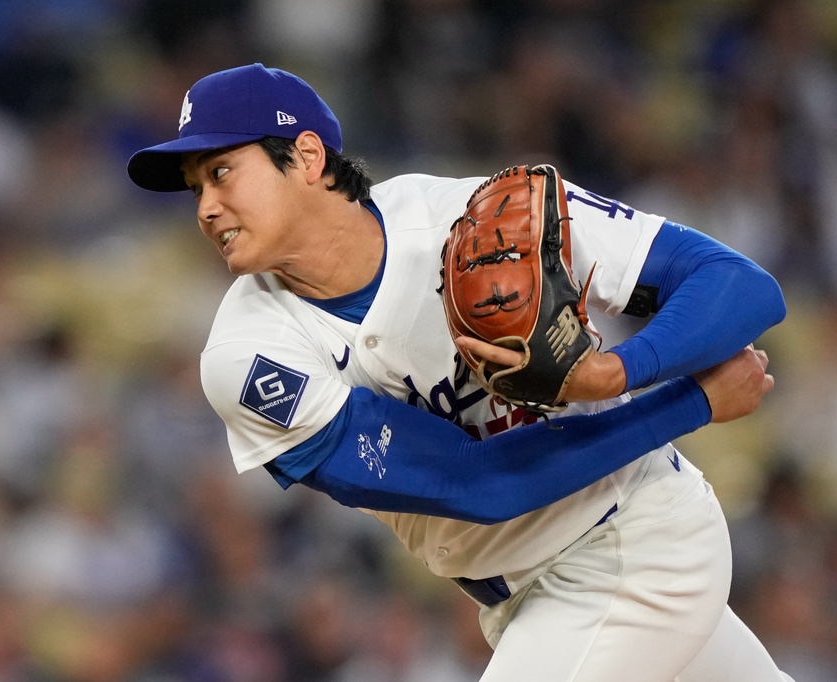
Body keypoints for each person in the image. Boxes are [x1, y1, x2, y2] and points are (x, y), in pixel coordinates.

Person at [126, 63, 791, 682]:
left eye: (222, 172)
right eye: (195, 189)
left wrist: (619, 370)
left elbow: (740, 285)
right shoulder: (249, 356)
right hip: (524, 589)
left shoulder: (478, 216)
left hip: (631, 539)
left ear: (305, 157)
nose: (206, 207)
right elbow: (478, 485)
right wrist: (690, 403)